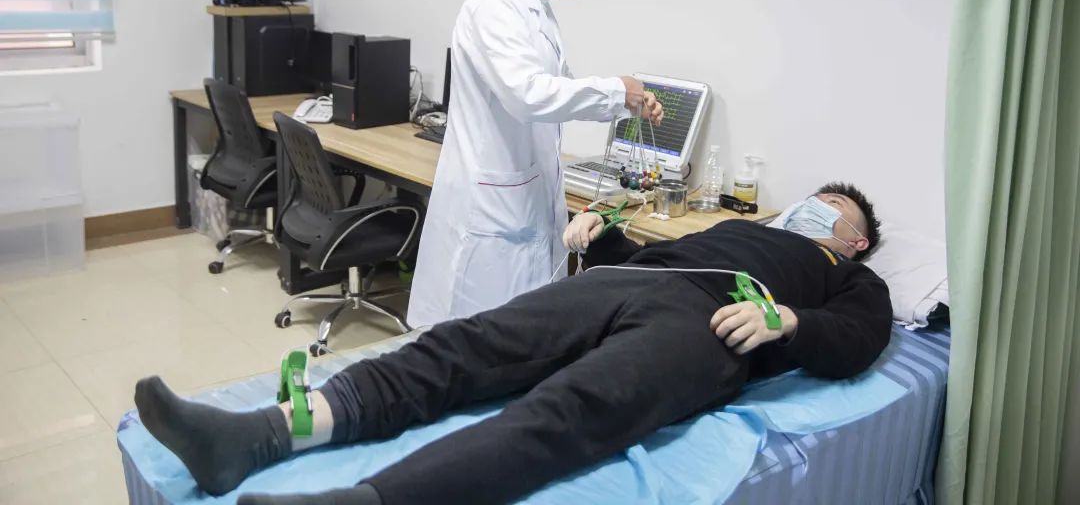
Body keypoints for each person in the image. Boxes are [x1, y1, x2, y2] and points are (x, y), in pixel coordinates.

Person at [134, 182, 890, 505]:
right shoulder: (739, 227)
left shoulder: (850, 277)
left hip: (714, 324)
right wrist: (603, 236)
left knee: (569, 408)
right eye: (814, 199)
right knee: (464, 346)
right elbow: (653, 258)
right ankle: (255, 437)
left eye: (832, 209)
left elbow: (860, 339)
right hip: (630, 281)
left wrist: (789, 323)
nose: (813, 208)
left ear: (854, 240)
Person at [406, 0, 664, 328]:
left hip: (523, 197)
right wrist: (614, 90)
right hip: (492, 210)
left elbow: (556, 90)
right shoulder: (494, 4)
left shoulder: (536, 7)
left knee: (520, 331)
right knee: (479, 334)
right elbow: (528, 95)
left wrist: (626, 102)